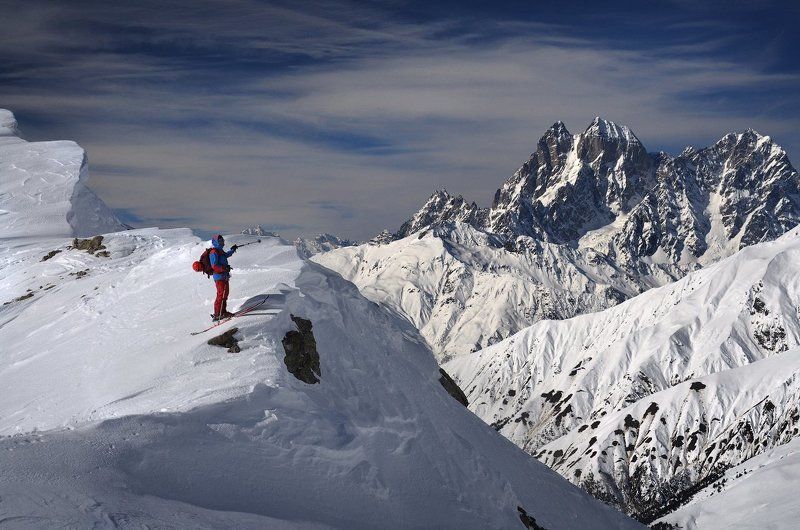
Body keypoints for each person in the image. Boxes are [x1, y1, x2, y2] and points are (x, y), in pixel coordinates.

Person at [209, 234, 238, 321]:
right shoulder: (214, 252)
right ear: (216, 242)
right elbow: (214, 266)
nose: (222, 242)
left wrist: (232, 250)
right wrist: (224, 268)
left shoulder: (220, 251)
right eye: (220, 241)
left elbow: (226, 255)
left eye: (222, 240)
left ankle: (223, 312)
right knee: (221, 295)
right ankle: (217, 314)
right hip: (219, 277)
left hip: (224, 276)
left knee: (225, 295)